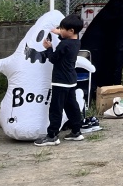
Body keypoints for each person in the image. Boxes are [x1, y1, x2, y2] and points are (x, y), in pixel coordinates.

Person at [34, 13, 85, 146]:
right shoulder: (76, 42)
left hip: (60, 81)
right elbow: (66, 40)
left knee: (56, 108)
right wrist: (60, 33)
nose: (60, 30)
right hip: (71, 80)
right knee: (72, 106)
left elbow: (54, 59)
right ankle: (76, 131)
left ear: (71, 31)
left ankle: (52, 135)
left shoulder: (64, 44)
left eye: (62, 28)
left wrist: (48, 48)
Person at [80, 0, 123, 89]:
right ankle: (113, 89)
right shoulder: (121, 7)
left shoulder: (115, 4)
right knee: (113, 69)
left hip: (107, 44)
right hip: (114, 45)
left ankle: (108, 88)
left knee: (108, 68)